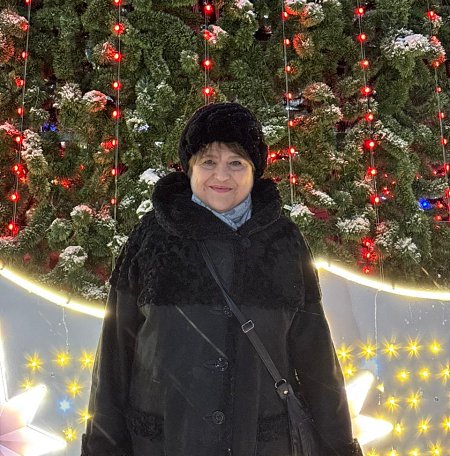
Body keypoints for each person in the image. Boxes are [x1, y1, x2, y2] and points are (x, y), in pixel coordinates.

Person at [82, 102, 362, 456]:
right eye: (208, 162)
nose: (222, 176)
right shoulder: (151, 239)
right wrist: (103, 447)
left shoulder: (284, 242)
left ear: (254, 170)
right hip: (164, 443)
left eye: (236, 163)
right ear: (189, 167)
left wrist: (339, 447)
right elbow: (114, 359)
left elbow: (318, 361)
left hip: (262, 445)